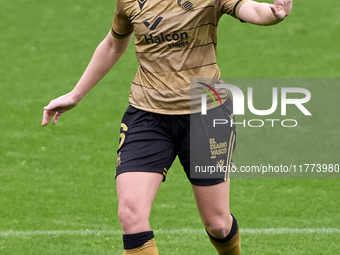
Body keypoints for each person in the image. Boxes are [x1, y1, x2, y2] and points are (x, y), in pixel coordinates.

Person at [42, 0, 292, 254]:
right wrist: (75, 95)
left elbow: (251, 10)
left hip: (205, 114)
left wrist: (275, 15)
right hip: (146, 116)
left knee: (217, 223)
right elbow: (113, 43)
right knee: (130, 215)